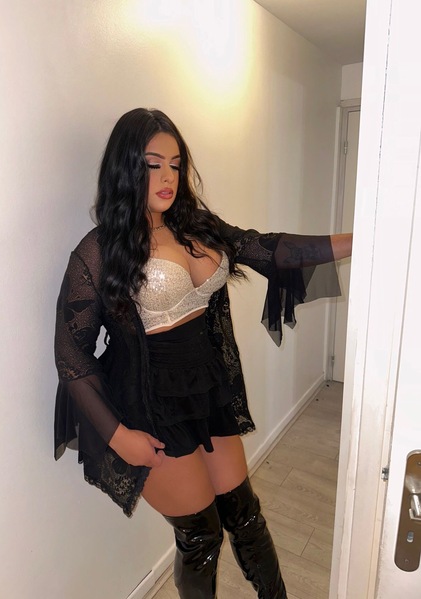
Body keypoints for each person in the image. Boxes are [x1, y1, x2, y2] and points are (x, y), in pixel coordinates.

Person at [54, 108, 352, 599]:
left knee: (246, 514)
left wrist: (361, 241)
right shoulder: (98, 250)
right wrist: (119, 437)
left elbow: (266, 249)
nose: (168, 177)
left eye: (175, 164)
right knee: (201, 537)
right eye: (153, 164)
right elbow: (71, 356)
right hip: (151, 405)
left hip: (208, 390)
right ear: (125, 168)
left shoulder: (195, 224)